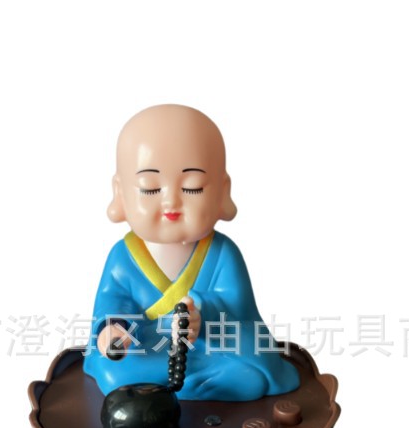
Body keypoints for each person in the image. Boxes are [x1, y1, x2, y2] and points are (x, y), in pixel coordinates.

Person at [83, 104, 299, 401]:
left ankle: (173, 391)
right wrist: (114, 330)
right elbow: (113, 301)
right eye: (150, 189)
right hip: (148, 347)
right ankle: (187, 388)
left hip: (208, 346)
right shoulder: (123, 257)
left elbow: (238, 309)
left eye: (193, 188)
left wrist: (201, 315)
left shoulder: (222, 253)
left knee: (253, 372)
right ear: (120, 194)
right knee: (115, 374)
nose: (171, 202)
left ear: (222, 191)